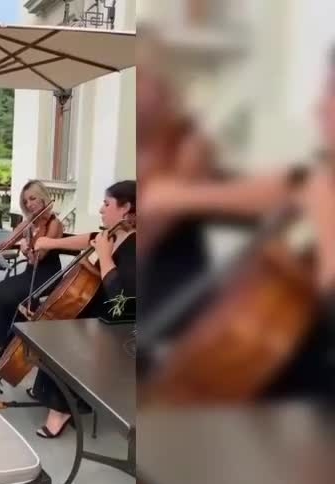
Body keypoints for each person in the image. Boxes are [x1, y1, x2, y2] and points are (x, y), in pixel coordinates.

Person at [138, 45, 335, 399]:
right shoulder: (318, 178)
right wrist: (180, 193)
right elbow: (286, 187)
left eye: (329, 93)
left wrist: (324, 219)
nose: (318, 108)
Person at [29, 180, 136, 438]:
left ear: (125, 208)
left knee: (63, 335)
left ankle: (62, 409)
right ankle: (57, 395)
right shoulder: (116, 232)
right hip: (99, 311)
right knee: (56, 323)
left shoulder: (137, 244)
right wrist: (50, 242)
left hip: (119, 327)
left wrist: (106, 257)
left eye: (106, 204)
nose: (100, 209)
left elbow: (121, 302)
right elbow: (89, 239)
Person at [0, 180, 64, 355]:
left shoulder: (54, 223)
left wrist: (26, 248)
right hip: (30, 273)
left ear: (43, 198)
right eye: (26, 201)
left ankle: (13, 343)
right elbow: (7, 242)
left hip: (47, 276)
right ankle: (6, 342)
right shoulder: (29, 222)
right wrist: (0, 247)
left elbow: (39, 257)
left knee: (8, 294)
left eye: (32, 199)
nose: (29, 204)